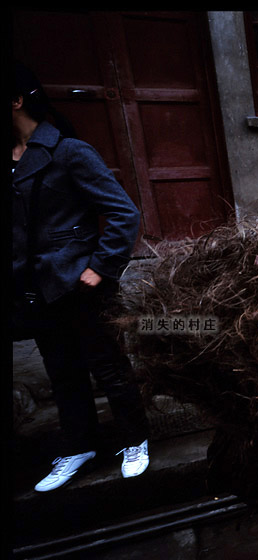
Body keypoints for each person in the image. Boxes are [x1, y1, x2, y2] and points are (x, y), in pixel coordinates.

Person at [11, 62, 151, 492]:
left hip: (79, 284)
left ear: (16, 100)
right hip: (35, 287)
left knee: (108, 366)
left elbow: (125, 213)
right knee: (62, 371)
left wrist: (98, 269)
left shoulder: (68, 152)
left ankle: (134, 440)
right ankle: (79, 447)